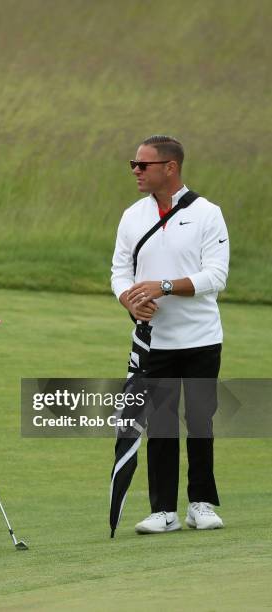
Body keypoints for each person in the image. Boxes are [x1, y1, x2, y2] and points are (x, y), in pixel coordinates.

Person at [111, 135, 229, 534]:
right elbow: (119, 271)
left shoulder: (208, 213)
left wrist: (162, 286)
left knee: (200, 420)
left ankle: (201, 503)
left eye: (143, 165)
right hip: (154, 339)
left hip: (201, 338)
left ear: (170, 168)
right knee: (160, 423)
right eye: (134, 165)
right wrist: (129, 299)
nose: (136, 172)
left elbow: (215, 276)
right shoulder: (132, 216)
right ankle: (163, 510)